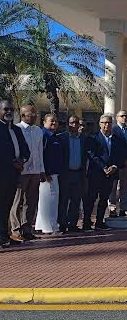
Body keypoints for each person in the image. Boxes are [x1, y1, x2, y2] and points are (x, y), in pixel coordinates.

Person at [83, 115, 127, 230]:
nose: (106, 125)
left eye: (108, 123)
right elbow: (92, 155)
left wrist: (114, 166)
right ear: (99, 124)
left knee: (104, 199)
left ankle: (99, 222)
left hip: (110, 174)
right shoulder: (93, 138)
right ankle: (87, 223)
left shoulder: (117, 139)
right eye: (103, 123)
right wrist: (103, 167)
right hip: (96, 173)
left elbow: (120, 156)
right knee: (91, 199)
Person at [10, 105, 44, 241]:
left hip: (35, 171)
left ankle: (27, 229)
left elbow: (40, 151)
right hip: (21, 171)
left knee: (31, 202)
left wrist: (42, 170)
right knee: (17, 201)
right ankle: (16, 230)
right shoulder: (17, 130)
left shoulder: (38, 131)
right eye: (31, 114)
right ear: (23, 115)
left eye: (35, 114)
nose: (35, 116)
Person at [0, 100, 30, 248]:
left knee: (7, 206)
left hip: (14, 174)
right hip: (2, 173)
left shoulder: (17, 130)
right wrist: (12, 162)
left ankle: (5, 236)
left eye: (11, 109)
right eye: (6, 109)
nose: (9, 112)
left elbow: (26, 150)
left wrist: (22, 160)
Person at [35, 114, 64, 235]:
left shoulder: (54, 136)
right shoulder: (44, 135)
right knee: (48, 202)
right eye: (51, 121)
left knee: (50, 201)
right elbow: (41, 155)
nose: (54, 123)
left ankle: (42, 225)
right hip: (47, 175)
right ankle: (49, 228)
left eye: (56, 121)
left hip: (54, 174)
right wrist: (45, 172)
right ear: (44, 121)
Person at [58, 115, 87, 233]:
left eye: (76, 123)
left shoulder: (84, 138)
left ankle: (73, 224)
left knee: (76, 200)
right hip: (65, 174)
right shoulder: (61, 138)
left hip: (79, 173)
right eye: (71, 123)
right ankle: (62, 223)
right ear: (67, 124)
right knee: (63, 200)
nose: (74, 125)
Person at [109, 110, 127, 217]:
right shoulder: (113, 130)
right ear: (117, 117)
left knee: (125, 187)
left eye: (126, 116)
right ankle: (112, 208)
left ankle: (123, 209)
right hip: (116, 164)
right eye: (122, 116)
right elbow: (112, 148)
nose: (124, 118)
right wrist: (118, 161)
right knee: (113, 187)